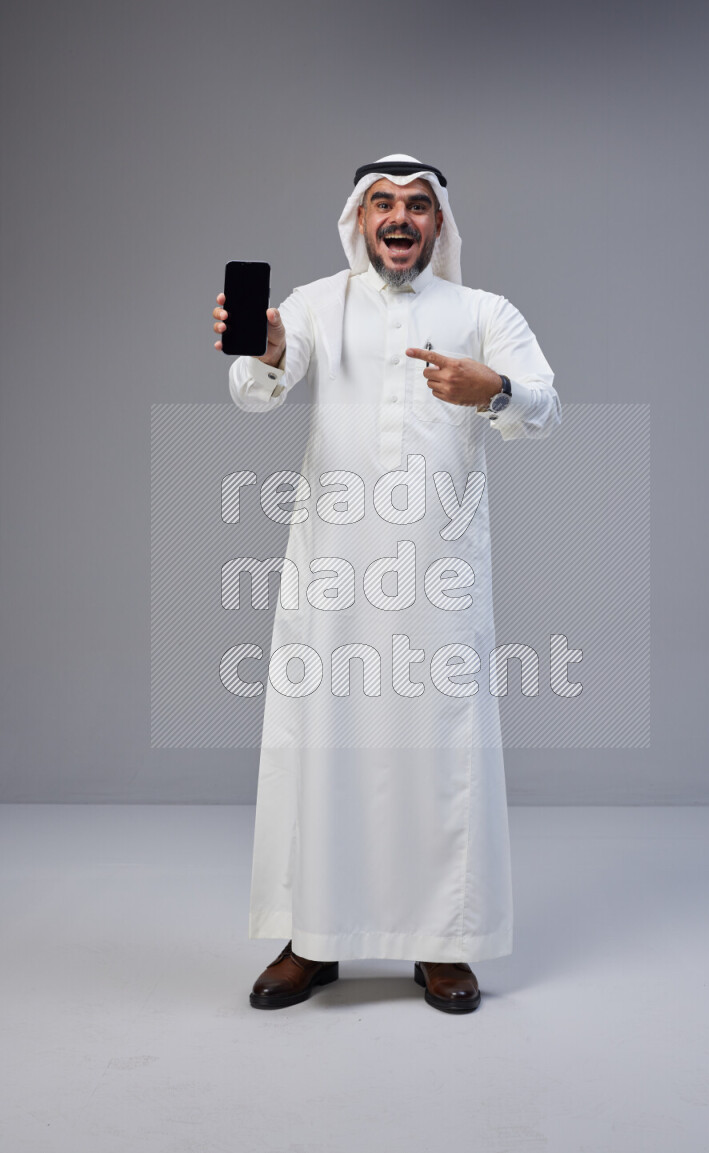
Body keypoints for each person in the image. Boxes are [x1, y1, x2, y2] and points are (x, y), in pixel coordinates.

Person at [212, 154, 561, 1014]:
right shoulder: (315, 304)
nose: (399, 218)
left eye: (416, 205)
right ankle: (312, 937)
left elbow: (546, 406)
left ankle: (442, 942)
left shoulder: (483, 312)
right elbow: (257, 390)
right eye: (382, 204)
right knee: (321, 744)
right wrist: (267, 348)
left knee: (440, 750)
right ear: (359, 220)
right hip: (334, 573)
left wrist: (493, 388)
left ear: (438, 223)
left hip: (438, 577)